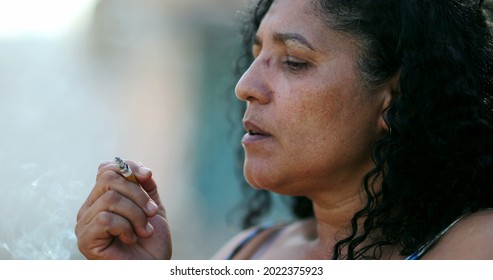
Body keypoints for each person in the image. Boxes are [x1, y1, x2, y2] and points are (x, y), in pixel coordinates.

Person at [75, 0, 493, 260]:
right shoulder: (244, 256)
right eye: (256, 56)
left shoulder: (474, 251)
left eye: (294, 61)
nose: (245, 87)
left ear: (397, 96)